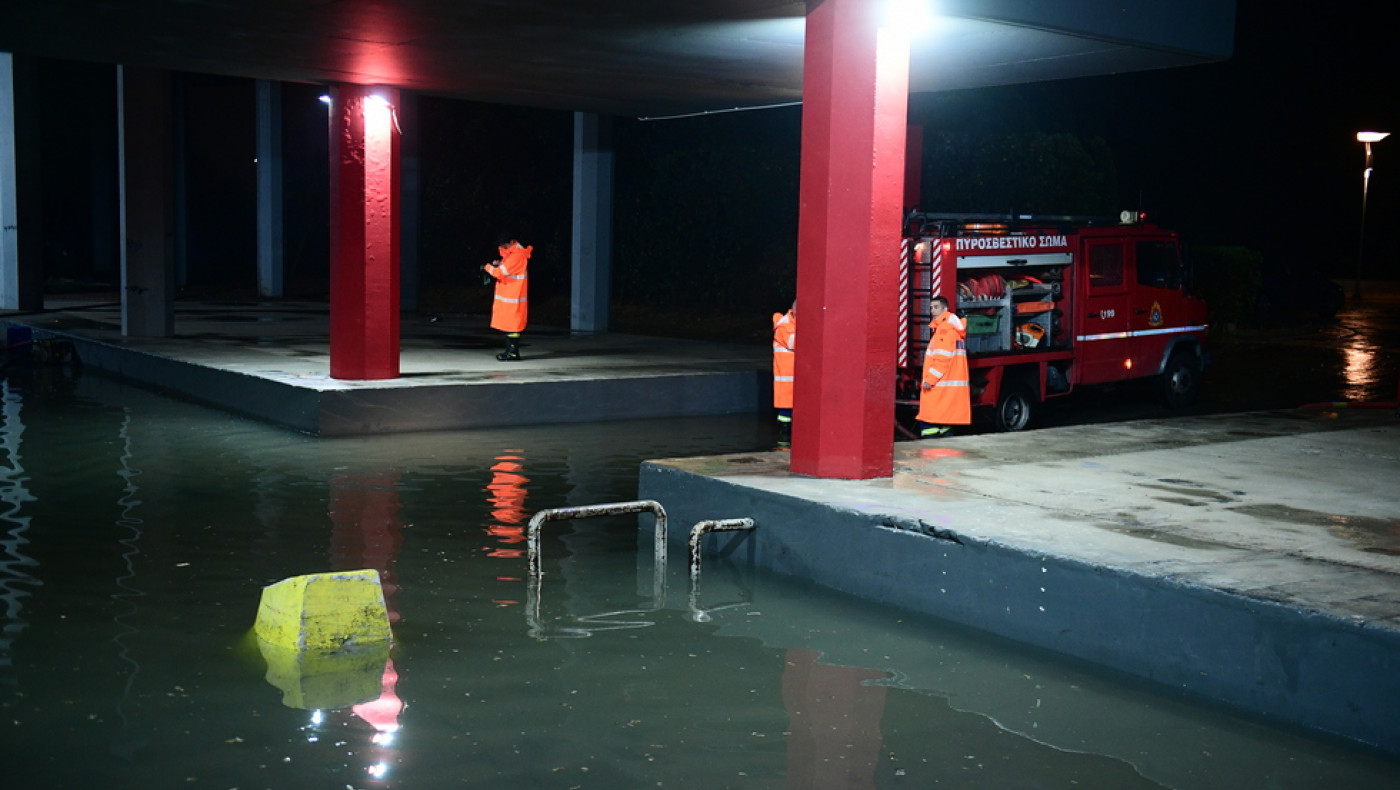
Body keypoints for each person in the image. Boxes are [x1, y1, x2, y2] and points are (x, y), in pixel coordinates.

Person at [915, 295, 971, 437]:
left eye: (936, 307)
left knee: (929, 423)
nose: (933, 311)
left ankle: (932, 454)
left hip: (937, 387)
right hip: (946, 389)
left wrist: (930, 380)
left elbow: (941, 359)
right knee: (944, 424)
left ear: (945, 309)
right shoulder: (953, 329)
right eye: (931, 308)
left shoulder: (944, 330)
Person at [483, 235, 532, 361]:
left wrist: (488, 267)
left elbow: (499, 273)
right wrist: (498, 265)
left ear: (511, 242)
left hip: (513, 296)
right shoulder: (513, 254)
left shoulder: (516, 256)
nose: (503, 247)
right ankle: (511, 352)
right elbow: (506, 270)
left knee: (512, 326)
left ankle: (512, 353)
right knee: (510, 326)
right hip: (511, 296)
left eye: (505, 245)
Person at [771, 301, 796, 445]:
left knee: (788, 413)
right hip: (787, 380)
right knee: (786, 414)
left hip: (791, 379)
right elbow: (796, 343)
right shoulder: (785, 327)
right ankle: (783, 442)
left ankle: (785, 442)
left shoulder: (790, 324)